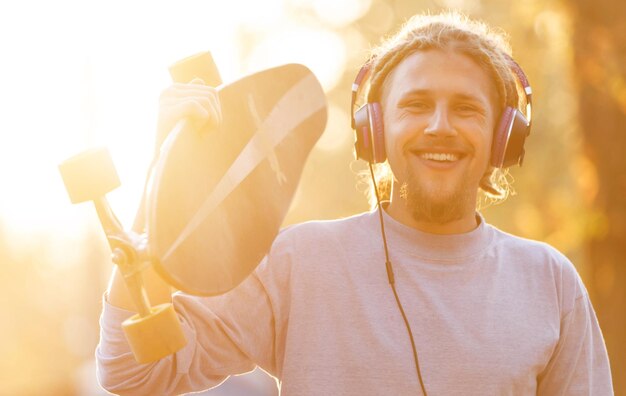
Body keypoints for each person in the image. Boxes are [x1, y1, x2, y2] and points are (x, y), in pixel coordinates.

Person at [96, 12, 614, 395]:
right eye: (415, 104)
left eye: (466, 109)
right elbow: (135, 372)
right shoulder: (299, 263)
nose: (439, 125)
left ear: (504, 138)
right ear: (375, 130)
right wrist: (167, 178)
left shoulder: (549, 281)